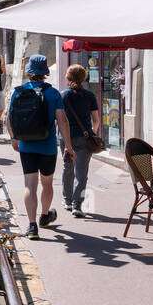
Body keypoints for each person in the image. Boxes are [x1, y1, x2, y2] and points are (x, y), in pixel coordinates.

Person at [6, 54, 74, 240]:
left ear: (29, 72)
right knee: (47, 183)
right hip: (47, 146)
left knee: (30, 185)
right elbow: (63, 121)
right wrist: (68, 146)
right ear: (45, 72)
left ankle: (32, 226)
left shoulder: (18, 92)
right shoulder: (53, 94)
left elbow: (9, 119)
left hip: (26, 146)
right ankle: (44, 216)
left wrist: (13, 138)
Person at [61, 64, 101, 218]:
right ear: (83, 78)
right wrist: (92, 133)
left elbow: (58, 120)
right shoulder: (90, 96)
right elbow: (96, 121)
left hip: (66, 138)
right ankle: (77, 205)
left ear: (68, 77)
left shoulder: (62, 95)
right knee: (82, 173)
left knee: (67, 168)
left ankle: (67, 200)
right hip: (84, 138)